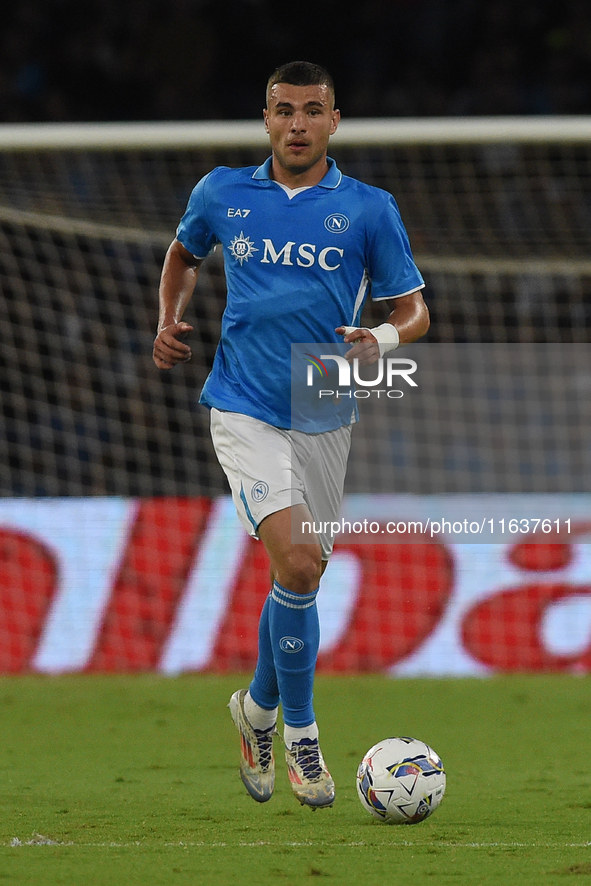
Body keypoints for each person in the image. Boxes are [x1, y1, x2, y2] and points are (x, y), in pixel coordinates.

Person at [153, 60, 429, 809]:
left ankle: (255, 710)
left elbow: (413, 311)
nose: (297, 124)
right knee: (301, 563)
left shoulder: (369, 209)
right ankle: (303, 740)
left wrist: (381, 341)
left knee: (298, 576)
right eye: (284, 111)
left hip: (325, 402)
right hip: (242, 402)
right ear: (266, 118)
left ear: (334, 120)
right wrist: (167, 317)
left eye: (312, 111)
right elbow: (183, 253)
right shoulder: (221, 191)